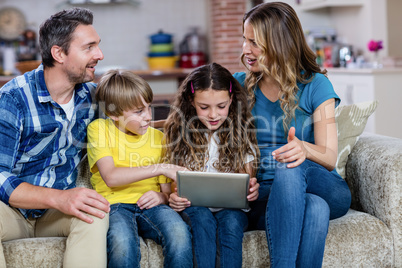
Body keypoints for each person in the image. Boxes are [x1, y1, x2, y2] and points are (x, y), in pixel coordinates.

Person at [234, 2, 352, 267]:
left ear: (278, 43)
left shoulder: (315, 85)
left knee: (288, 161)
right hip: (264, 194)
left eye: (254, 42)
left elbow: (330, 156)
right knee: (315, 209)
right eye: (244, 40)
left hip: (323, 184)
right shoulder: (239, 85)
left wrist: (303, 148)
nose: (245, 49)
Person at [0, 7, 110, 267]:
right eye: (89, 47)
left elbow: (134, 122)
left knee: (94, 213)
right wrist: (60, 197)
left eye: (98, 46)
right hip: (10, 211)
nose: (100, 55)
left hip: (55, 215)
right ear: (59, 53)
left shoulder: (93, 97)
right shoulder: (14, 98)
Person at [87, 69, 193, 268]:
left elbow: (166, 193)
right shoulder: (99, 129)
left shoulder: (158, 138)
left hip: (153, 206)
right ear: (113, 114)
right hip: (114, 206)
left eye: (148, 107)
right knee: (122, 243)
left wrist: (161, 197)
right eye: (138, 111)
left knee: (179, 232)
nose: (147, 116)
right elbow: (111, 177)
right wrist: (160, 168)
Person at [165, 62, 260, 268]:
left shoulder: (241, 131)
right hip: (195, 207)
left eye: (221, 106)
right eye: (204, 107)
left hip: (232, 209)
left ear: (231, 99)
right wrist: (172, 197)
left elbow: (246, 178)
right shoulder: (179, 132)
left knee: (231, 224)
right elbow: (174, 184)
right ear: (191, 101)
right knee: (201, 219)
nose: (213, 115)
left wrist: (251, 189)